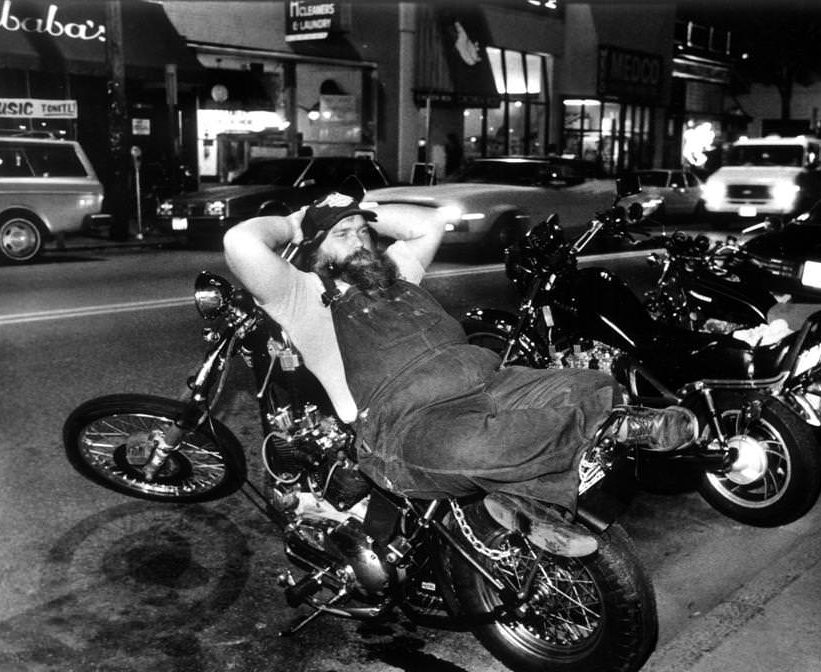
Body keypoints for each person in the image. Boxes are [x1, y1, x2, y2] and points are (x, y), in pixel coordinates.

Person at [223, 188, 697, 555]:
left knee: (594, 382)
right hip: (406, 425)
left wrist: (356, 207)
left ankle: (531, 506)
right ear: (316, 250)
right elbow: (239, 241)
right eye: (342, 236)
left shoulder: (395, 274)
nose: (360, 240)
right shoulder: (304, 297)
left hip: (493, 383)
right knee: (474, 446)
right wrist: (296, 220)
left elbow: (429, 223)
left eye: (362, 232)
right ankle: (608, 431)